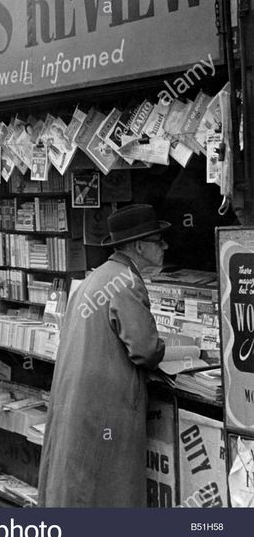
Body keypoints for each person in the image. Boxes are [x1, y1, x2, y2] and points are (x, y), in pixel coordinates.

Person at [38, 204, 168, 507]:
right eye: (158, 240)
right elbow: (146, 350)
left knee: (81, 482)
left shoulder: (98, 276)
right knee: (109, 484)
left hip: (82, 399)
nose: (165, 246)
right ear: (139, 245)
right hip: (105, 404)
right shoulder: (126, 281)